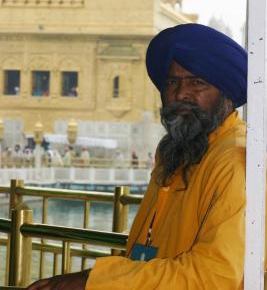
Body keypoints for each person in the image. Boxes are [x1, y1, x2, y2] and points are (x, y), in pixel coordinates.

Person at [26, 23, 250, 289]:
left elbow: (216, 276)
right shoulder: (177, 151)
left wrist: (96, 281)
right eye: (172, 82)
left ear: (225, 93)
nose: (180, 94)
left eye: (197, 83)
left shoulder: (237, 161)